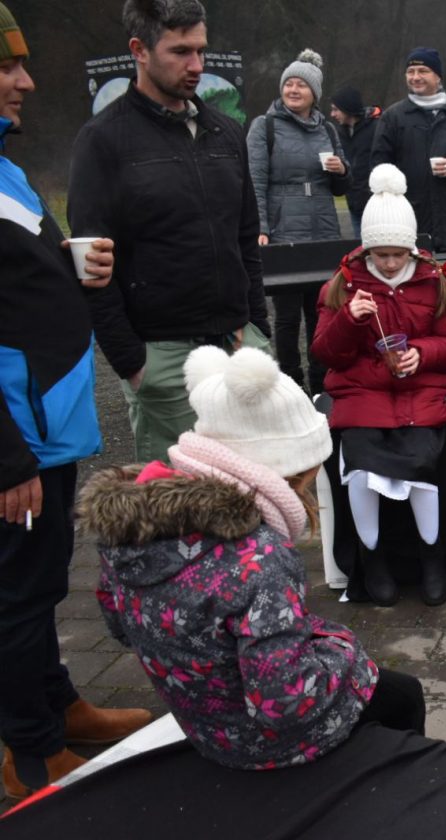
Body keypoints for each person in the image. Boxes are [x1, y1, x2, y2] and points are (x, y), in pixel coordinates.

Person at [79, 346, 427, 772]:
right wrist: (344, 651)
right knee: (403, 695)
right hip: (268, 747)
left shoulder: (130, 523)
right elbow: (287, 702)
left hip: (202, 724)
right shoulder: (259, 559)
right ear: (292, 470)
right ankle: (397, 790)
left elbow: (121, 627)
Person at [0, 4, 152, 800]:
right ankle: (29, 755)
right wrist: (4, 456)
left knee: (43, 582)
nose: (25, 81)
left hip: (47, 431)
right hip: (15, 442)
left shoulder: (7, 170)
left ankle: (59, 708)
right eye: (5, 68)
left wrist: (61, 258)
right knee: (17, 595)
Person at [68, 0, 272, 463]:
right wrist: (134, 364)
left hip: (238, 345)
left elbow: (246, 239)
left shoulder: (225, 132)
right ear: (139, 50)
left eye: (201, 50)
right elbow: (90, 263)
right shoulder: (103, 140)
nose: (196, 65)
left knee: (254, 499)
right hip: (163, 357)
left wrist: (255, 324)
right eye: (180, 51)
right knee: (179, 519)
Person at [311, 164, 446, 608]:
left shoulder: (436, 281)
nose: (390, 263)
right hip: (361, 393)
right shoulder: (343, 286)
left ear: (413, 249)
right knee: (359, 462)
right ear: (367, 249)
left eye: (398, 254)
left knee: (423, 462)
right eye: (381, 255)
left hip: (419, 392)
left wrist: (424, 353)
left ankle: (431, 559)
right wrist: (347, 320)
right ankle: (372, 561)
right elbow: (325, 353)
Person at [247, 49, 349, 396]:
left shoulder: (329, 130)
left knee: (322, 312)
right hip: (282, 227)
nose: (293, 90)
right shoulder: (265, 127)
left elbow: (341, 187)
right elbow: (254, 180)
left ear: (314, 94)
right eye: (288, 84)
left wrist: (341, 170)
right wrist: (260, 227)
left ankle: (323, 385)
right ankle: (290, 385)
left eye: (301, 85)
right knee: (288, 316)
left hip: (323, 227)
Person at [371, 47, 446, 254]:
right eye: (411, 72)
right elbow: (377, 167)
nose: (415, 77)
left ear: (438, 77)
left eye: (423, 71)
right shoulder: (393, 117)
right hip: (408, 223)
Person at [330, 86, 382, 237]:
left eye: (335, 109)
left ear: (348, 109)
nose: (332, 114)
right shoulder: (339, 131)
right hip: (353, 204)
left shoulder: (378, 127)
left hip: (377, 205)